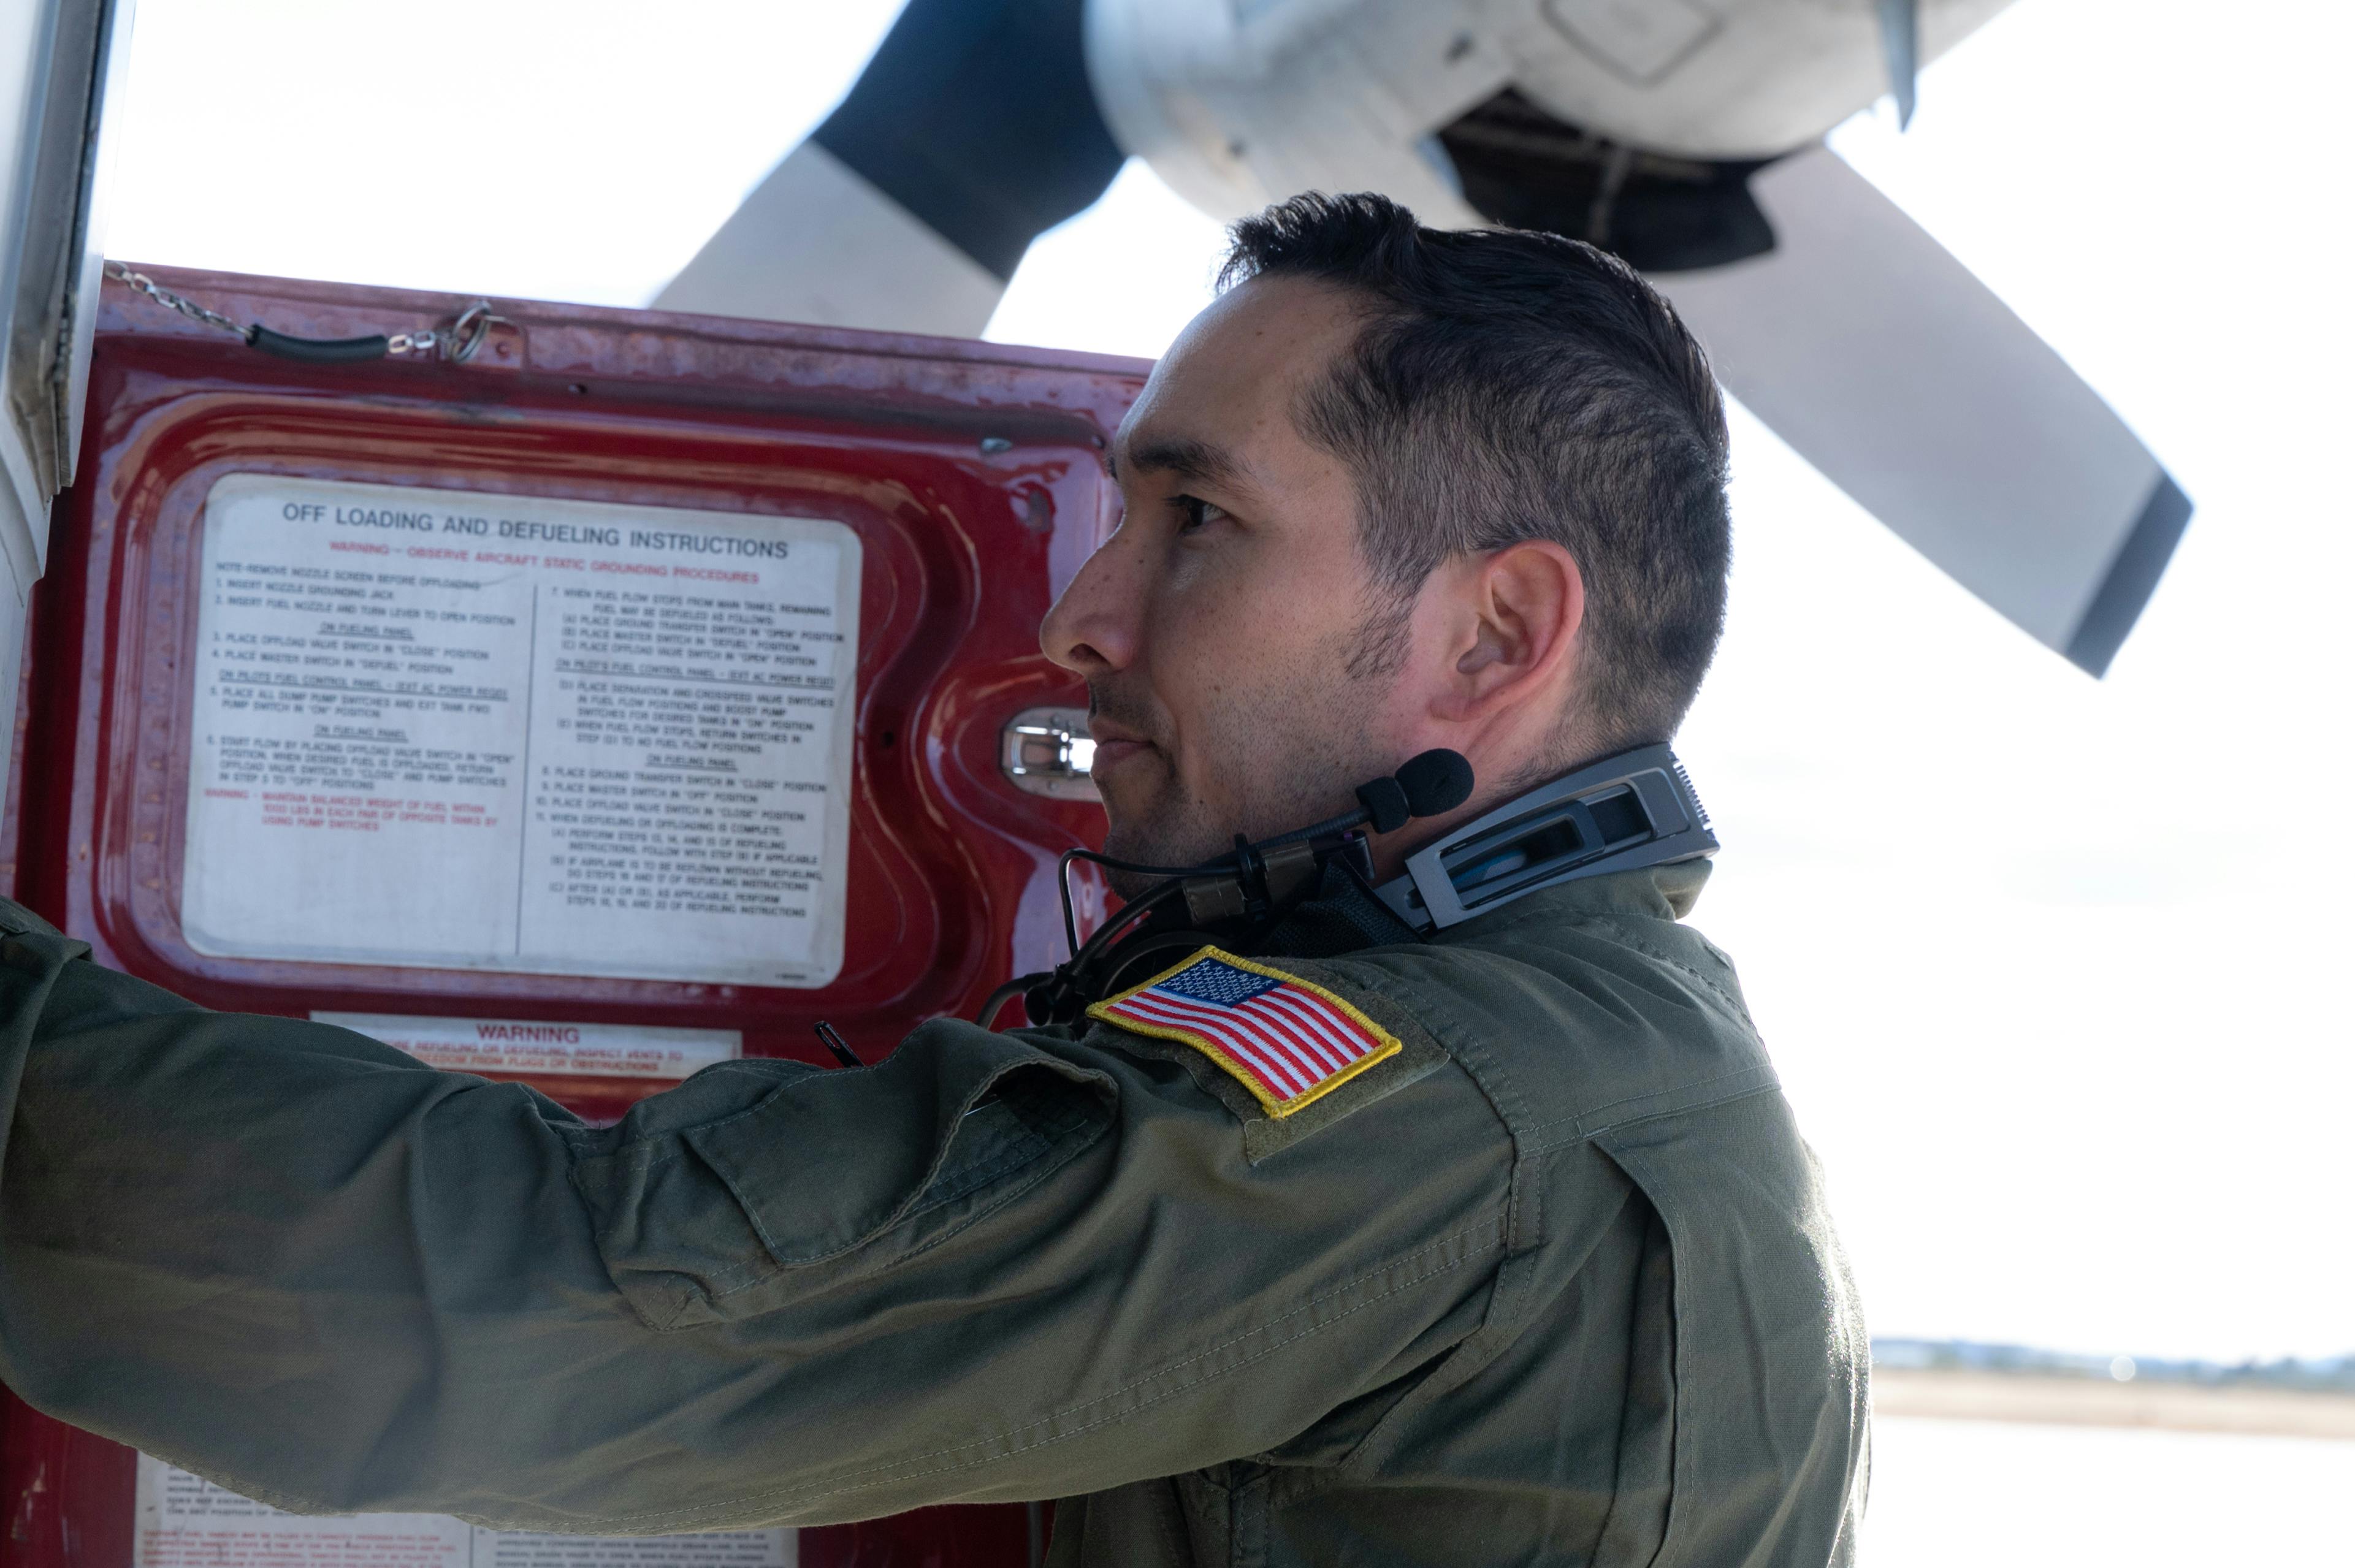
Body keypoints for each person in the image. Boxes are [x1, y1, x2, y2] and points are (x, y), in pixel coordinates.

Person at [0, 192, 1866, 1566]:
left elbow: (581, 1300)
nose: (1079, 615)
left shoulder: (1429, 1108)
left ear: (1496, 634)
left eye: (1198, 522)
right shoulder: (1604, 1039)